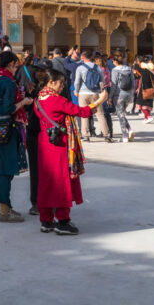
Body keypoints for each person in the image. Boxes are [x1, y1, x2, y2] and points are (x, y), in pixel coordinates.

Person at [34, 69, 107, 234]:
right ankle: (63, 221)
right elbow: (81, 112)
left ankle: (46, 220)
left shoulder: (38, 98)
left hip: (45, 142)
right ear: (51, 82)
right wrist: (99, 101)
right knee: (61, 182)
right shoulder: (56, 100)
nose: (62, 87)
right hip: (59, 144)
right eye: (60, 83)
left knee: (46, 182)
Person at [0, 51, 31, 222]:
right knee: (6, 171)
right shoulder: (9, 83)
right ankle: (4, 211)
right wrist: (23, 102)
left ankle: (4, 206)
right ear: (11, 64)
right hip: (8, 129)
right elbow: (7, 108)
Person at [24, 57, 49, 215]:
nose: (39, 73)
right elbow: (28, 109)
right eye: (37, 70)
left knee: (50, 170)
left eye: (43, 71)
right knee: (35, 169)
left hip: (49, 133)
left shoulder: (57, 87)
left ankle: (49, 201)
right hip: (33, 131)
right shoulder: (32, 87)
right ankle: (35, 202)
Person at [74, 50, 112, 142]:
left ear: (82, 58)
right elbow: (102, 81)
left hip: (83, 94)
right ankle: (106, 135)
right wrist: (101, 91)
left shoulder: (80, 68)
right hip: (95, 93)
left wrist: (77, 90)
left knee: (84, 114)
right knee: (100, 114)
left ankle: (86, 135)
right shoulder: (97, 68)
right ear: (91, 58)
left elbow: (77, 82)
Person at [109, 54, 136, 143]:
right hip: (129, 95)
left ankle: (125, 136)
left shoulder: (114, 70)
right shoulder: (129, 69)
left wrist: (110, 96)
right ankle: (130, 130)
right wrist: (132, 93)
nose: (113, 62)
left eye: (113, 61)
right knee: (122, 114)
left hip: (119, 95)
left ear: (116, 62)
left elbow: (114, 85)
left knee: (120, 115)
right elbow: (133, 82)